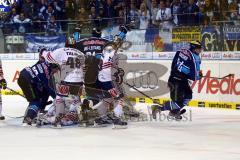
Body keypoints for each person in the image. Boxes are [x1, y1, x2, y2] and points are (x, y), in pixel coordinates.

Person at [152, 41, 203, 120]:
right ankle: (158, 108)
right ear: (194, 48)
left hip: (177, 79)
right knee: (178, 102)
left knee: (188, 96)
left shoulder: (181, 51)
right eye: (199, 48)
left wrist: (173, 73)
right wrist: (198, 76)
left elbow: (174, 63)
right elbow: (194, 76)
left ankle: (174, 112)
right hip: (177, 81)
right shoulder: (194, 58)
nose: (200, 50)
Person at [41, 47, 85, 127]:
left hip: (67, 80)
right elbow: (85, 68)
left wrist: (43, 52)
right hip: (79, 81)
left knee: (59, 98)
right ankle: (79, 117)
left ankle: (57, 120)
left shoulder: (61, 50)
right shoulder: (80, 52)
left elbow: (49, 57)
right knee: (76, 99)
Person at [18, 61, 59, 125]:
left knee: (34, 99)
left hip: (22, 76)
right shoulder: (47, 73)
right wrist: (57, 97)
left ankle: (30, 115)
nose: (56, 72)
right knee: (36, 101)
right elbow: (48, 88)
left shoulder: (44, 64)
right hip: (28, 80)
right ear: (53, 67)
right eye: (56, 70)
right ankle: (28, 118)